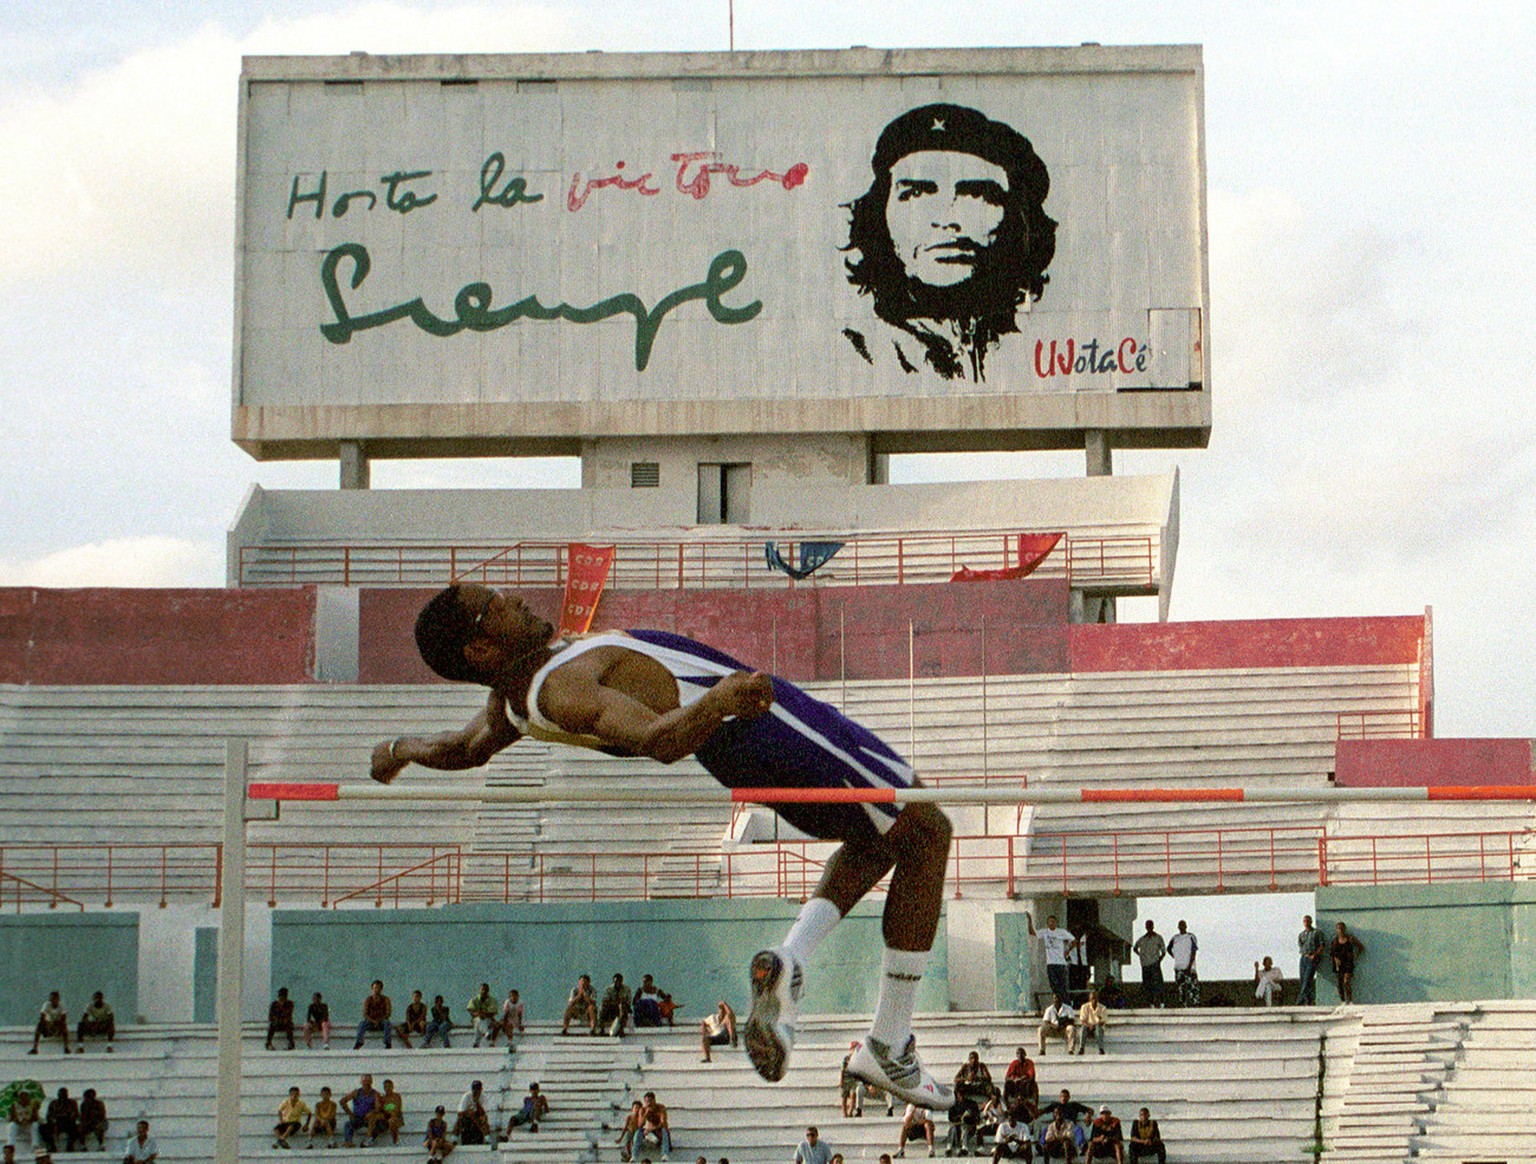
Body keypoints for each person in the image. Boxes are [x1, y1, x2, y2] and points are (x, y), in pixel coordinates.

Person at [380, 584, 956, 1107]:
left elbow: (465, 748)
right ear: (481, 650)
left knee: (881, 837)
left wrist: (400, 748)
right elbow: (659, 741)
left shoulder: (515, 697)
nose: (515, 599)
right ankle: (888, 1046)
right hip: (764, 724)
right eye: (495, 605)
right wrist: (722, 700)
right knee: (928, 831)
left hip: (748, 736)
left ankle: (792, 964)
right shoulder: (561, 687)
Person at [841, 102, 1056, 382]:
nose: (946, 218)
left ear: (1017, 218)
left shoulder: (1024, 346)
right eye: (916, 193)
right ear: (878, 213)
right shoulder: (861, 351)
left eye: (977, 194)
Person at [1026, 914, 1079, 1005]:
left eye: (1053, 922)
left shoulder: (1061, 932)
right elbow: (1032, 932)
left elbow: (1074, 940)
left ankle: (1066, 1005)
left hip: (1060, 963)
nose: (1052, 923)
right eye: (1050, 922)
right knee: (1054, 986)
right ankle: (1059, 1004)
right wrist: (1030, 920)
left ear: (1056, 923)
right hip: (1051, 963)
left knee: (1063, 986)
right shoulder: (1045, 932)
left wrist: (1068, 950)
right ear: (1047, 923)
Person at [340, 1074, 381, 1148]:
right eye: (364, 1081)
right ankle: (348, 1142)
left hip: (369, 1118)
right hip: (358, 1117)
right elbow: (343, 1101)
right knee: (348, 1125)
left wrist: (372, 1112)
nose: (366, 1083)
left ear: (371, 1082)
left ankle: (368, 1141)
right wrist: (350, 1113)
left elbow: (378, 1108)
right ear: (361, 1082)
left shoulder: (375, 1094)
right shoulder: (357, 1092)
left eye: (368, 1081)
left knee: (377, 1125)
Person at [1132, 921, 1166, 1008]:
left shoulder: (1158, 938)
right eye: (1148, 926)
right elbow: (1135, 948)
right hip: (1145, 965)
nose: (1149, 927)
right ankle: (1151, 1003)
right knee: (1147, 985)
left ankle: (1161, 1002)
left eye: (1150, 926)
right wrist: (1141, 956)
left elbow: (1163, 951)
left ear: (1153, 926)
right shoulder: (1142, 939)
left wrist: (1159, 961)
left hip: (1154, 964)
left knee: (1158, 984)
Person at [631, 1092, 672, 1161]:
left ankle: (665, 1154)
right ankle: (634, 1155)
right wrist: (645, 1114)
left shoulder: (661, 1108)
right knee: (638, 1132)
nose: (649, 1103)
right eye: (647, 1101)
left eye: (650, 1101)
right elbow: (640, 1125)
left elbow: (663, 1123)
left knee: (664, 1131)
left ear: (654, 1100)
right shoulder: (643, 1110)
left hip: (658, 1131)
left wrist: (651, 1129)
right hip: (649, 1133)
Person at [1167, 921, 1199, 1007]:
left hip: (1190, 968)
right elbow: (1168, 949)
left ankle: (1194, 1005)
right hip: (1179, 967)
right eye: (1180, 925)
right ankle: (1183, 1005)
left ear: (1186, 926)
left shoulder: (1190, 937)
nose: (1182, 927)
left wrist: (1190, 965)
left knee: (1192, 989)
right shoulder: (1175, 938)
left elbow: (1193, 951)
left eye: (1183, 925)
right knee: (1181, 989)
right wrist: (1176, 957)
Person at [353, 979, 393, 1049]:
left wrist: (379, 1020)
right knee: (362, 1024)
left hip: (381, 1022)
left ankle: (388, 1043)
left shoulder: (386, 999)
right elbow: (365, 1013)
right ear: (372, 989)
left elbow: (388, 1013)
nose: (376, 990)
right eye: (375, 988)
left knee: (387, 1023)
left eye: (378, 988)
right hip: (370, 1022)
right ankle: (359, 1042)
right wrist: (373, 1021)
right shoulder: (368, 999)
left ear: (381, 989)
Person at [1331, 922, 1364, 1003]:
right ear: (1336, 930)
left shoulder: (1350, 938)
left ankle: (1350, 1000)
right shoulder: (1335, 940)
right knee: (1339, 982)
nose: (1340, 930)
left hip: (1348, 962)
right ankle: (1343, 1001)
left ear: (1345, 929)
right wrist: (1335, 960)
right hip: (1339, 963)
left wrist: (1355, 956)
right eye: (1339, 928)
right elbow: (1331, 953)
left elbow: (1361, 947)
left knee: (1346, 982)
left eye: (1342, 928)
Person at [41, 1088, 80, 1154]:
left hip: (68, 1122)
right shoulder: (54, 1103)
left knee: (75, 1128)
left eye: (64, 1094)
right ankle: (52, 1146)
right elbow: (49, 1115)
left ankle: (70, 1146)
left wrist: (69, 1116)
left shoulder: (72, 1103)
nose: (62, 1096)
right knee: (43, 1128)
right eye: (60, 1094)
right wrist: (53, 1120)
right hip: (56, 1123)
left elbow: (75, 1114)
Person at [1297, 915, 1325, 1006]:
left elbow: (1322, 945)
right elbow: (1301, 945)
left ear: (1311, 921)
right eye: (1304, 921)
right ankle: (1308, 1001)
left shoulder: (1316, 933)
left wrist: (1315, 955)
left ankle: (1300, 1000)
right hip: (1304, 957)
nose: (1306, 923)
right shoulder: (1302, 934)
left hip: (1312, 957)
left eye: (1307, 921)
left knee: (1307, 978)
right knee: (1303, 980)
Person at [1002, 1047, 1037, 1117]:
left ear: (1025, 1054)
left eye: (1022, 1054)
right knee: (1007, 1085)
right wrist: (1014, 1079)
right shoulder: (1014, 1063)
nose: (1020, 1055)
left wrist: (1023, 1079)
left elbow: (1032, 1075)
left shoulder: (1029, 1063)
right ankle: (1007, 1106)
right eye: (1018, 1054)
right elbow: (1007, 1077)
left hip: (1026, 1085)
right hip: (1015, 1085)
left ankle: (1035, 1106)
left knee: (1034, 1085)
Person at [272, 1086, 310, 1150]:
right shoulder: (286, 1102)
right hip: (286, 1121)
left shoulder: (301, 1104)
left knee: (291, 1126)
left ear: (299, 1095)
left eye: (296, 1094)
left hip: (295, 1122)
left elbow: (309, 1113)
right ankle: (283, 1141)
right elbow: (280, 1110)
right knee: (276, 1129)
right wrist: (281, 1120)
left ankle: (280, 1140)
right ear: (290, 1094)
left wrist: (307, 1124)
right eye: (292, 1094)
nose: (294, 1096)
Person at [455, 1081, 490, 1147]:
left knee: (484, 1120)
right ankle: (454, 1139)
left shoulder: (483, 1098)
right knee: (459, 1120)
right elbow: (460, 1113)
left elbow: (483, 1112)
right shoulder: (466, 1096)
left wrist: (477, 1103)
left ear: (481, 1090)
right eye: (474, 1089)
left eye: (478, 1089)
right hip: (467, 1117)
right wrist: (468, 1112)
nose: (475, 1091)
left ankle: (487, 1138)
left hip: (478, 1118)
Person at [6, 1088, 40, 1156]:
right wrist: (18, 1120)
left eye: (25, 1096)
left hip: (28, 1125)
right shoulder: (14, 1105)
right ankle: (11, 1145)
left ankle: (35, 1145)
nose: (23, 1098)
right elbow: (11, 1118)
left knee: (35, 1125)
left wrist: (28, 1120)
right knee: (11, 1125)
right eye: (22, 1096)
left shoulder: (33, 1105)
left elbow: (36, 1118)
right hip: (19, 1125)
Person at [600, 973, 634, 1038]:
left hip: (622, 1008)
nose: (618, 983)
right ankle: (602, 1028)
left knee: (622, 1006)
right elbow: (606, 1000)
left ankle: (621, 1029)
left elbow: (628, 1002)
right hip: (611, 1008)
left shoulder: (627, 989)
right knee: (603, 1008)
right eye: (616, 981)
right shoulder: (609, 989)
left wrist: (619, 1002)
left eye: (619, 981)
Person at [372, 1079, 404, 1145]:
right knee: (374, 1117)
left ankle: (395, 1141)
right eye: (386, 1087)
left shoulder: (396, 1096)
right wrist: (377, 1099)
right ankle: (370, 1138)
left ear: (392, 1087)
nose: (388, 1088)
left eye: (389, 1086)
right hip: (386, 1117)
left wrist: (386, 1109)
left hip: (396, 1117)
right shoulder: (383, 1098)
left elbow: (396, 1109)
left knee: (392, 1121)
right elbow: (379, 1109)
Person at [1075, 990, 1107, 1055]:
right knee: (1083, 1029)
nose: (1094, 1000)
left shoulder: (1103, 1008)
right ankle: (1081, 1049)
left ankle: (1101, 1049)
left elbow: (1103, 1021)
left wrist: (1094, 1025)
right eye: (1092, 999)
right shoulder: (1084, 1007)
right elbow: (1083, 1020)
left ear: (1098, 999)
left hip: (1097, 1027)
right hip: (1087, 1027)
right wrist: (1089, 1025)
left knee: (1098, 1029)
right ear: (1089, 999)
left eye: (1095, 999)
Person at [467, 983, 498, 1047]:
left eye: (486, 990)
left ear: (488, 991)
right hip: (476, 1019)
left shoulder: (492, 1000)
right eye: (482, 989)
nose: (484, 991)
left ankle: (476, 1042)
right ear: (479, 990)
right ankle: (487, 1033)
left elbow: (493, 1012)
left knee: (480, 1022)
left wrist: (484, 1014)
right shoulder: (474, 1000)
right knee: (479, 1020)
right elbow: (471, 1012)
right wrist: (479, 1014)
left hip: (488, 1020)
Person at [266, 986, 296, 1051]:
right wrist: (276, 1020)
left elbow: (289, 1014)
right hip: (277, 1023)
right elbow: (271, 1016)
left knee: (289, 1025)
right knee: (272, 1025)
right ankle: (268, 1043)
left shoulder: (289, 1004)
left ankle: (291, 1043)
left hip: (285, 1023)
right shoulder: (274, 1004)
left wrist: (284, 1019)